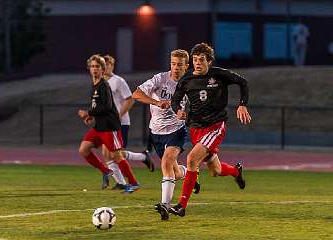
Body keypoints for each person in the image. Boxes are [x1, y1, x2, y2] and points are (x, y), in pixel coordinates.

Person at [169, 43, 252, 217]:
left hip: (215, 126)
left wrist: (242, 105)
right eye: (195, 60)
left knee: (191, 159)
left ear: (209, 61)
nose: (197, 63)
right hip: (196, 128)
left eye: (201, 60)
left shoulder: (219, 74)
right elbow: (175, 100)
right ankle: (236, 171)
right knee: (216, 171)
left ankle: (181, 205)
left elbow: (243, 82)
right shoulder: (186, 80)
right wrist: (178, 110)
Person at [133, 49, 199, 220]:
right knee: (174, 173)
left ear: (187, 66)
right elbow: (136, 94)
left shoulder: (191, 84)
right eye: (173, 64)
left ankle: (165, 205)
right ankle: (190, 175)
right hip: (156, 132)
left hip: (176, 130)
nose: (176, 68)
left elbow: (198, 108)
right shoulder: (160, 79)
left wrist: (186, 115)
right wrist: (156, 102)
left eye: (180, 65)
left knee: (166, 163)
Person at [78, 54, 139, 193]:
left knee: (116, 156)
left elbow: (106, 106)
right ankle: (105, 171)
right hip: (99, 126)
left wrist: (89, 113)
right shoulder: (95, 84)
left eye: (97, 67)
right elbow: (97, 106)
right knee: (83, 149)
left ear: (102, 69)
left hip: (110, 127)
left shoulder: (104, 85)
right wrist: (92, 117)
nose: (94, 69)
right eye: (92, 66)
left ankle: (134, 183)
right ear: (89, 68)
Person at [102, 55, 154, 190]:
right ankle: (121, 182)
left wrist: (118, 116)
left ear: (112, 66)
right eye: (103, 64)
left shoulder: (118, 81)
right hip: (107, 123)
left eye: (108, 64)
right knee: (107, 154)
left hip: (120, 122)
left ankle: (142, 159)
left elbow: (130, 99)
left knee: (116, 154)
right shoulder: (101, 81)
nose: (105, 67)